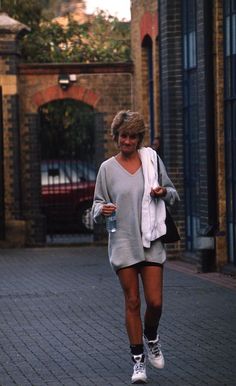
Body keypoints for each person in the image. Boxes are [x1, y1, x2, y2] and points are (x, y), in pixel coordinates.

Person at [92, 111, 179, 384]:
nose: (127, 141)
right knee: (132, 301)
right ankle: (138, 361)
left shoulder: (151, 161)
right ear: (116, 137)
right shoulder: (107, 169)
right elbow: (95, 207)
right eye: (122, 136)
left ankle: (151, 334)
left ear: (139, 138)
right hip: (123, 243)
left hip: (151, 241)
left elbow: (173, 194)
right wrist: (101, 209)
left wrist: (163, 193)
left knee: (155, 302)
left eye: (132, 136)